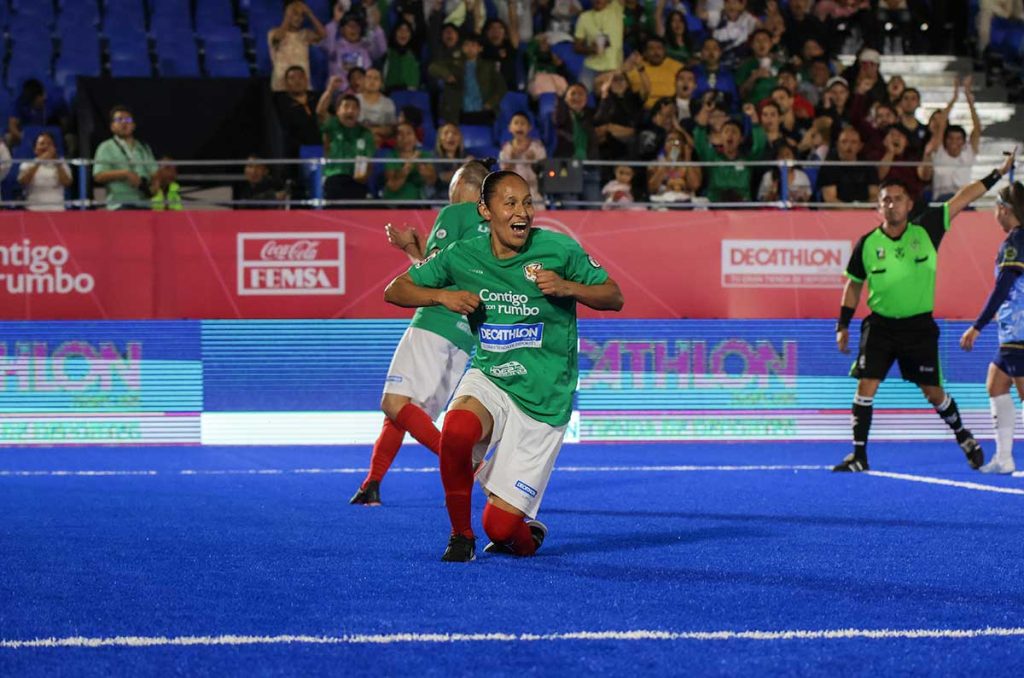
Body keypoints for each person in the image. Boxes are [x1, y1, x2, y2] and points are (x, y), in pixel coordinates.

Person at [383, 170, 624, 561]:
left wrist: (569, 288)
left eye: (527, 202)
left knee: (502, 528)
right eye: (509, 203)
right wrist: (441, 297)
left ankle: (524, 534)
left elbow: (614, 296)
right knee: (457, 430)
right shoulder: (464, 252)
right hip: (491, 374)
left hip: (544, 398)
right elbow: (395, 290)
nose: (522, 212)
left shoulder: (558, 250)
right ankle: (461, 535)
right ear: (485, 210)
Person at [832, 149, 1018, 473]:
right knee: (866, 386)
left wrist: (999, 172)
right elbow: (853, 285)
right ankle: (858, 455)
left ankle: (964, 437)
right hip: (879, 326)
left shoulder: (927, 228)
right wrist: (843, 324)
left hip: (918, 328)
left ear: (909, 204)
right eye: (885, 200)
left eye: (897, 199)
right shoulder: (866, 244)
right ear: (878, 207)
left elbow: (963, 197)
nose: (891, 204)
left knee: (933, 393)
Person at [350, 159, 493, 505]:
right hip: (464, 337)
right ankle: (372, 484)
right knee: (403, 412)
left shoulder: (455, 213)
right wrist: (416, 251)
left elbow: (433, 274)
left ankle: (474, 469)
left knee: (393, 402)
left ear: (462, 186)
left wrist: (411, 250)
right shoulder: (492, 230)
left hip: (433, 323)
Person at [960, 176, 1024, 474]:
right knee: (996, 383)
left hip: (1019, 331)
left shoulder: (1015, 242)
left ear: (1005, 209)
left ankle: (1005, 457)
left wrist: (977, 326)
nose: (993, 213)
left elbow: (1002, 287)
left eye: (996, 207)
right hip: (1013, 330)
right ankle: (1004, 457)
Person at [93, 105, 157, 210]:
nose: (124, 122)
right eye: (119, 119)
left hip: (144, 204)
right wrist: (125, 174)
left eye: (128, 119)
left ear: (133, 125)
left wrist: (156, 184)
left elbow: (154, 172)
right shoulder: (105, 147)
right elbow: (98, 176)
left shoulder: (143, 147)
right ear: (112, 126)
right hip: (119, 205)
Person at [318, 93, 376, 201]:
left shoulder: (365, 133)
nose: (350, 111)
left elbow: (369, 162)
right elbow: (320, 113)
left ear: (359, 112)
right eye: (346, 106)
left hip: (356, 181)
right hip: (333, 179)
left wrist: (364, 176)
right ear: (338, 111)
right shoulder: (332, 125)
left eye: (354, 108)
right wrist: (331, 89)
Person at [268, 1, 326, 92]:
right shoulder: (274, 33)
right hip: (281, 87)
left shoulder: (305, 34)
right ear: (286, 14)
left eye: (301, 15)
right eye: (295, 14)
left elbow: (323, 34)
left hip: (303, 87)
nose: (298, 18)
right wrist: (288, 15)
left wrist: (309, 13)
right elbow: (278, 38)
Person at [499, 112, 547, 209]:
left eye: (523, 123)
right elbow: (503, 176)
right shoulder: (506, 149)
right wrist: (511, 161)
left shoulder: (537, 147)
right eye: (516, 123)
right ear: (510, 128)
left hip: (533, 192)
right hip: (512, 193)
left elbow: (545, 171)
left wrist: (534, 162)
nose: (519, 126)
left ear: (529, 128)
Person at [382, 121, 437, 201]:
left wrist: (420, 164)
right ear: (395, 138)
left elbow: (431, 180)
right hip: (395, 203)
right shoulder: (391, 157)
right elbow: (394, 186)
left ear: (415, 137)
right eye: (400, 134)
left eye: (409, 133)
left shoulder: (425, 155)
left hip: (421, 203)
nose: (405, 138)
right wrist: (410, 164)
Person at [17, 131, 72, 211]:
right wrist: (39, 161)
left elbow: (67, 182)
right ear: (35, 149)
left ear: (54, 148)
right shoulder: (27, 164)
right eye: (42, 144)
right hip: (33, 209)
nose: (46, 146)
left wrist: (57, 163)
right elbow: (23, 181)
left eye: (49, 144)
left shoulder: (61, 163)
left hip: (57, 209)